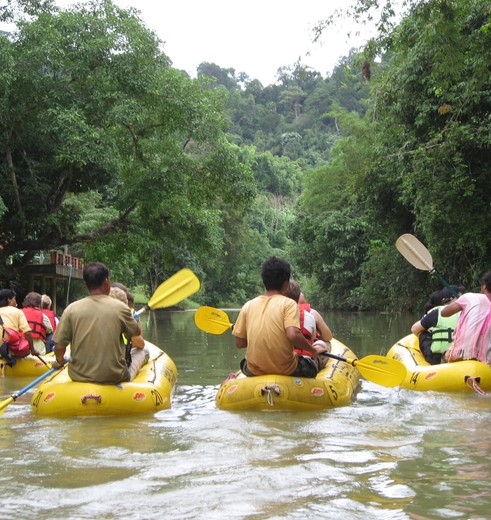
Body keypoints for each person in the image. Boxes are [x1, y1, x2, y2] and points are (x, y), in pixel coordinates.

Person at [233, 256, 329, 378]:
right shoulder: (289, 304)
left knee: (244, 363)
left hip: (253, 370)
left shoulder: (248, 305)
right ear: (286, 283)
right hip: (287, 369)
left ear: (264, 281)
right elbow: (293, 334)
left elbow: (240, 343)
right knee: (314, 362)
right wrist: (312, 350)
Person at [53, 262, 148, 383]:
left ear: (85, 285)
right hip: (114, 377)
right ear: (107, 282)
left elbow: (59, 347)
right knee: (142, 352)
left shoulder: (71, 309)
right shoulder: (121, 308)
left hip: (78, 376)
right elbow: (137, 333)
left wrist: (60, 361)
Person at [441, 272, 491, 365]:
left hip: (460, 357)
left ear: (484, 287)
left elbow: (444, 313)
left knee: (443, 356)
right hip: (486, 363)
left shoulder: (469, 297)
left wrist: (458, 301)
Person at [410, 285, 465, 365]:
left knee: (423, 333)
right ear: (452, 298)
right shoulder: (467, 312)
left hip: (437, 359)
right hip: (462, 356)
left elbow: (414, 329)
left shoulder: (437, 312)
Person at [285, 280, 333, 359]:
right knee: (323, 344)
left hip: (283, 358)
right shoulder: (311, 313)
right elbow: (328, 337)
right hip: (305, 358)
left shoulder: (275, 316)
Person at [109, 286, 147, 370]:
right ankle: (128, 376)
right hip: (114, 369)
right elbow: (141, 344)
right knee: (144, 351)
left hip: (89, 368)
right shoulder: (127, 319)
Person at [0, 289, 38, 365]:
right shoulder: (17, 312)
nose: (16, 302)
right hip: (9, 349)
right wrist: (32, 349)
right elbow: (27, 333)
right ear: (9, 299)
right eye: (14, 299)